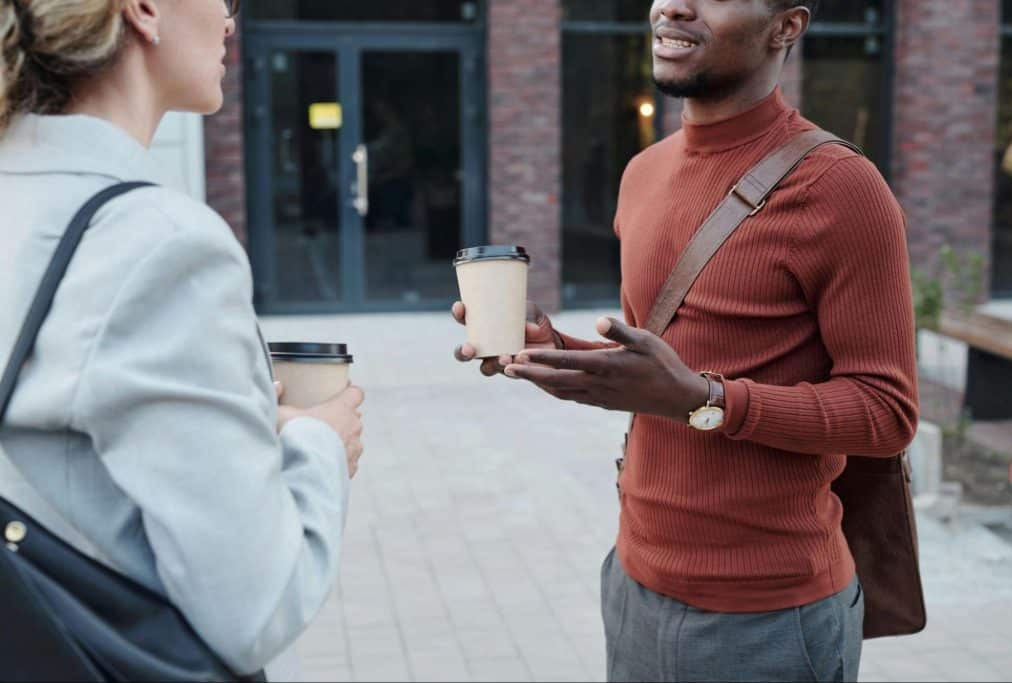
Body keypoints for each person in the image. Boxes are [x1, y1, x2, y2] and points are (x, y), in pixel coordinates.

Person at [454, 0, 918, 681]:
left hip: (770, 615)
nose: (672, 5)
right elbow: (667, 367)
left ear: (787, 26)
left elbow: (886, 412)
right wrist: (553, 348)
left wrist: (708, 401)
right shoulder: (643, 173)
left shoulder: (842, 187)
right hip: (633, 581)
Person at [0, 0, 364, 679]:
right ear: (143, 9)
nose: (230, 21)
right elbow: (256, 610)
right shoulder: (158, 243)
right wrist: (320, 443)